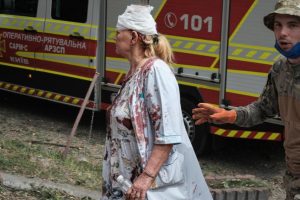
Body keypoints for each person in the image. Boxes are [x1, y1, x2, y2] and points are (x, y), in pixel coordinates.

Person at [101, 4, 212, 200]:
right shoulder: (133, 75)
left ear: (134, 37)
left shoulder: (156, 72)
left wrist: (146, 177)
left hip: (147, 189)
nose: (115, 37)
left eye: (119, 32)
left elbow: (167, 133)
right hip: (126, 185)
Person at [192, 0, 300, 199]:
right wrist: (228, 115)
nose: (283, 32)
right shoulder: (280, 70)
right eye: (278, 25)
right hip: (293, 176)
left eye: (293, 25)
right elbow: (262, 109)